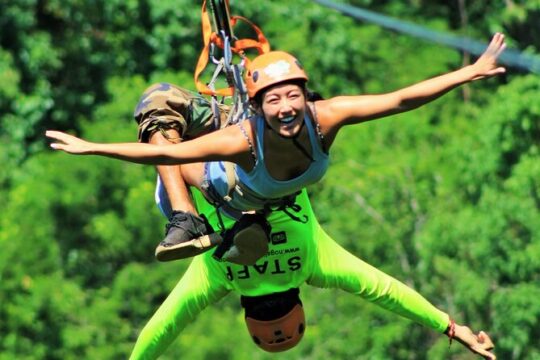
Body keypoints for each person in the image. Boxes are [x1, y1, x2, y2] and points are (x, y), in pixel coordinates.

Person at [46, 33, 507, 264]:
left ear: (306, 97)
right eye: (273, 99)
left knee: (168, 129)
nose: (286, 107)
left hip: (228, 187)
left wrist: (468, 71)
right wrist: (93, 148)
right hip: (254, 167)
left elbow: (400, 99)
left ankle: (192, 218)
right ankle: (212, 224)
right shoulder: (244, 133)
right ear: (258, 106)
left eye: (293, 96)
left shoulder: (321, 118)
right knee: (164, 100)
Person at [128, 189, 496, 359]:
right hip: (205, 159)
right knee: (168, 195)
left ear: (300, 301)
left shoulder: (314, 263)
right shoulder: (215, 276)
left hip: (271, 157)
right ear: (245, 311)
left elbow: (386, 291)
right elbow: (160, 329)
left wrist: (450, 327)